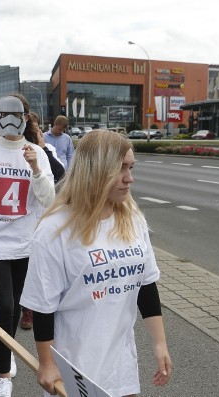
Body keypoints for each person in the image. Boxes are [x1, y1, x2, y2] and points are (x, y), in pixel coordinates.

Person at [20, 131, 172, 397]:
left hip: (121, 365)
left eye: (131, 167)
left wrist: (160, 344)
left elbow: (146, 284)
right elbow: (43, 304)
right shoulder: (54, 229)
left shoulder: (133, 219)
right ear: (96, 170)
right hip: (74, 369)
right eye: (120, 169)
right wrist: (46, 363)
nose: (130, 178)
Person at [0, 96, 55, 397]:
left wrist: (36, 169)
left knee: (15, 305)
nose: (10, 120)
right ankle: (4, 374)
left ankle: (9, 345)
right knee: (3, 306)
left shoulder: (38, 153)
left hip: (26, 243)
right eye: (4, 114)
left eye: (16, 114)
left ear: (26, 117)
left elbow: (50, 200)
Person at [17, 103, 66, 332]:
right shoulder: (8, 148)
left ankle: (29, 310)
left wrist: (42, 147)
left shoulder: (44, 152)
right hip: (16, 220)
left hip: (40, 218)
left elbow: (60, 174)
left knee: (33, 269)